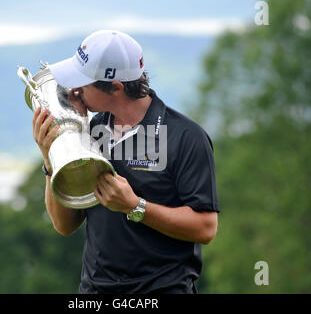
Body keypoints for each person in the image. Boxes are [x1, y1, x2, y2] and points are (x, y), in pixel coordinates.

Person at [32, 30, 220, 294]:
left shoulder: (186, 136)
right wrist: (51, 157)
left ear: (116, 88)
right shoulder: (89, 130)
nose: (74, 91)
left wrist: (135, 206)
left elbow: (205, 227)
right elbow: (64, 225)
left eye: (83, 84)